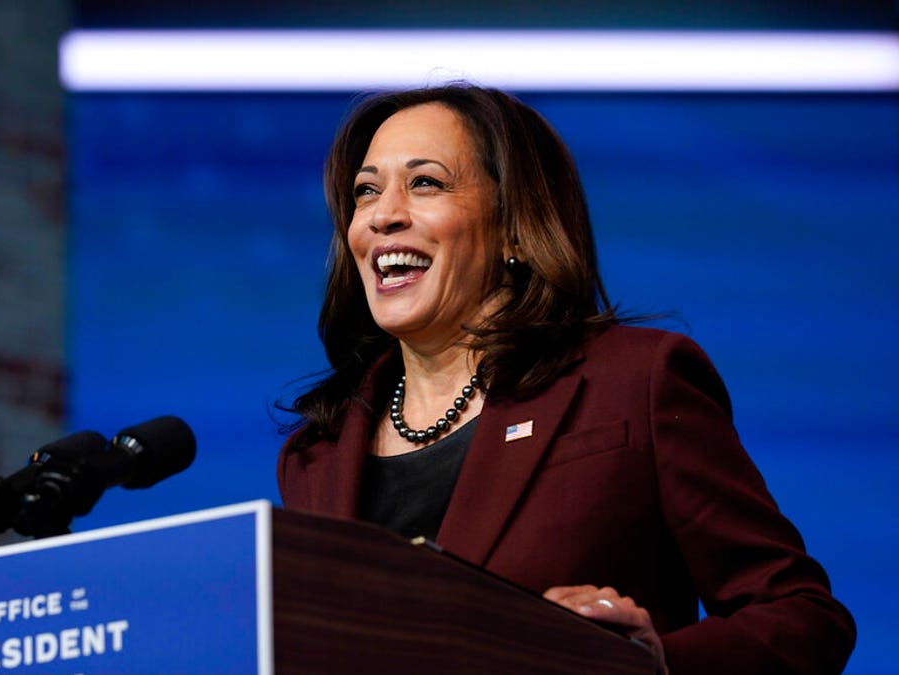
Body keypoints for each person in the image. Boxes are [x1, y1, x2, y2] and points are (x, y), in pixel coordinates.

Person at [276, 85, 855, 674]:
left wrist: (652, 664)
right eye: (366, 192)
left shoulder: (634, 383)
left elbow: (804, 620)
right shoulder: (317, 455)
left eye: (425, 183)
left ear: (515, 227)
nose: (382, 215)